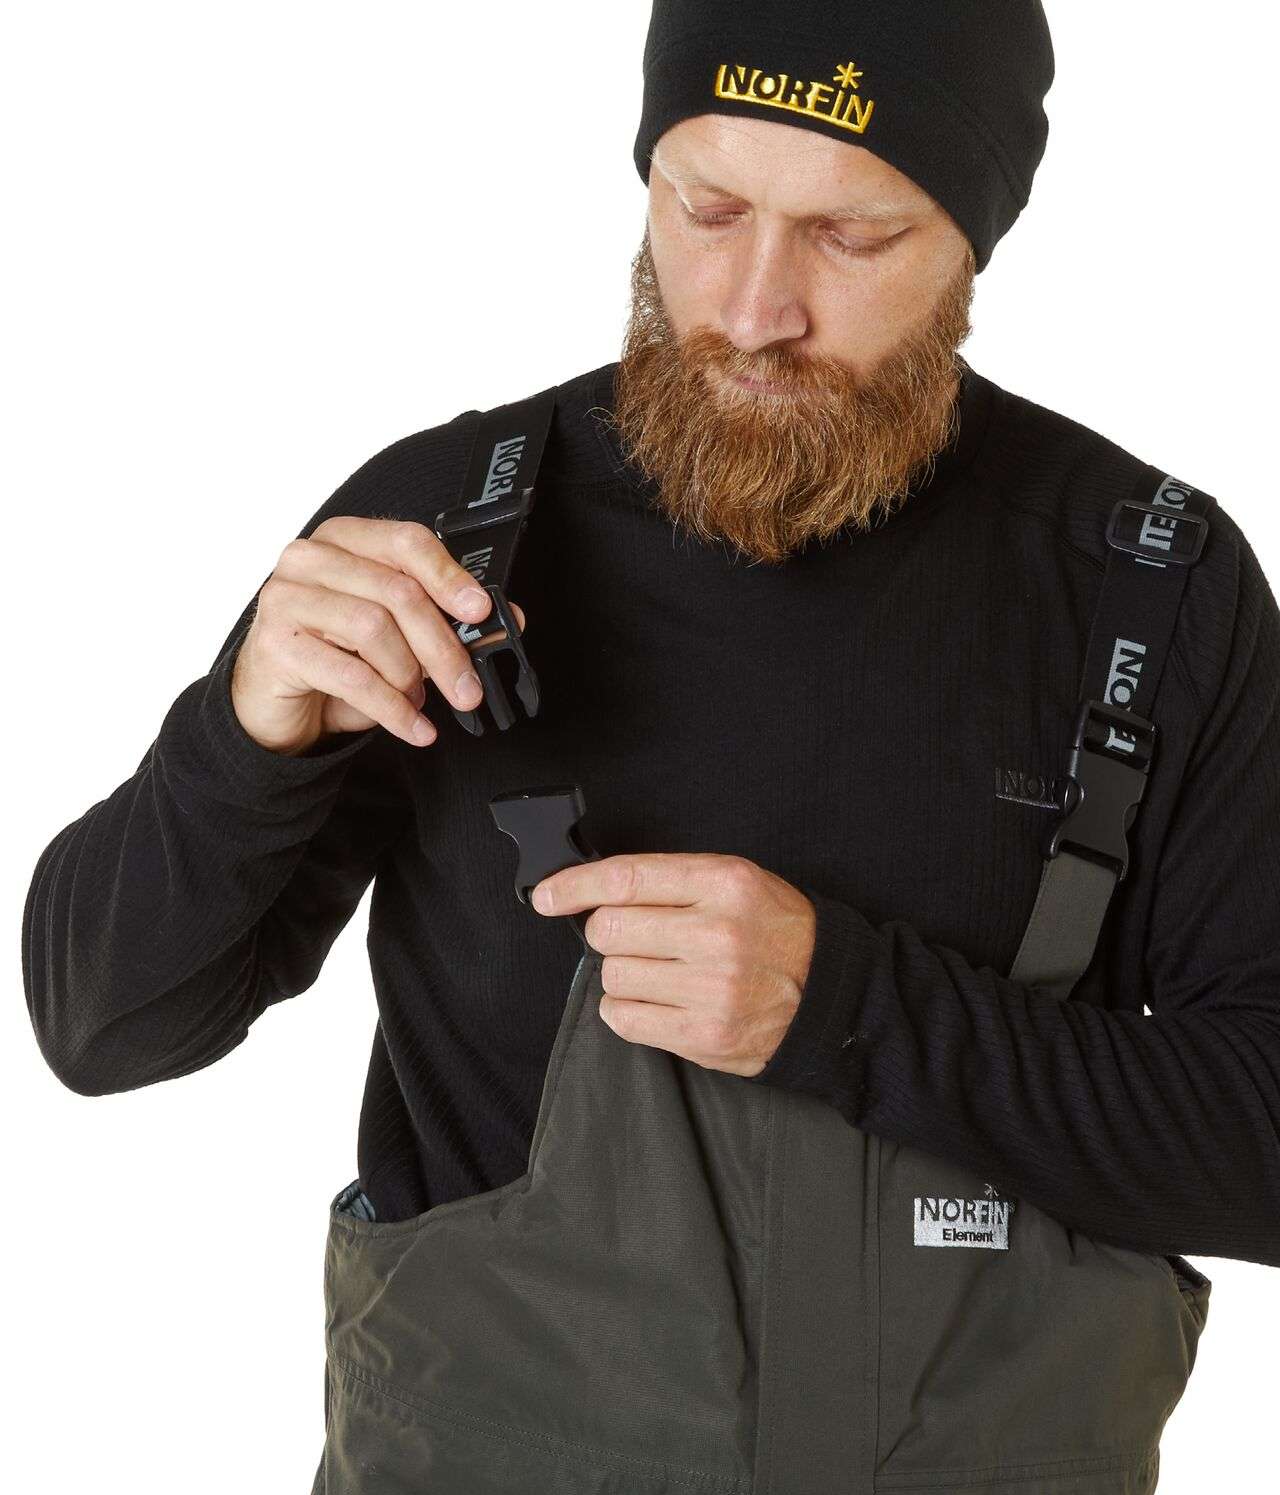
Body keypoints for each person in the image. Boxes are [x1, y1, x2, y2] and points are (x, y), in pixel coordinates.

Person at [22, 0, 1280, 1275]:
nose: (753, 310)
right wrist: (247, 740)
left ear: (970, 239)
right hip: (488, 1412)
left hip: (979, 1411)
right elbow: (100, 1030)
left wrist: (853, 1011)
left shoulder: (1151, 583)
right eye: (707, 210)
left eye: (847, 236)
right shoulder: (447, 531)